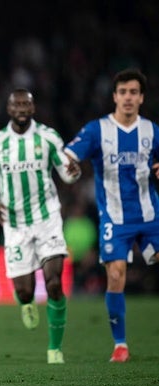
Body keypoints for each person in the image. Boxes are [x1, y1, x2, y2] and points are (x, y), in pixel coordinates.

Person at [65, 68, 159, 363]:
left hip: (150, 215)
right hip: (115, 219)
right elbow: (68, 156)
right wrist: (71, 166)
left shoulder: (152, 131)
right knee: (116, 274)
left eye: (134, 92)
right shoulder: (97, 130)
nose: (128, 97)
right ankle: (120, 345)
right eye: (123, 92)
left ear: (141, 97)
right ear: (115, 96)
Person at [0, 88, 81, 364]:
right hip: (14, 224)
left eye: (26, 104)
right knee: (25, 291)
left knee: (53, 283)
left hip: (47, 218)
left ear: (33, 109)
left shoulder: (48, 137)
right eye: (17, 105)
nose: (22, 108)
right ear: (9, 109)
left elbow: (66, 171)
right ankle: (25, 302)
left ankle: (54, 348)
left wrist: (74, 173)